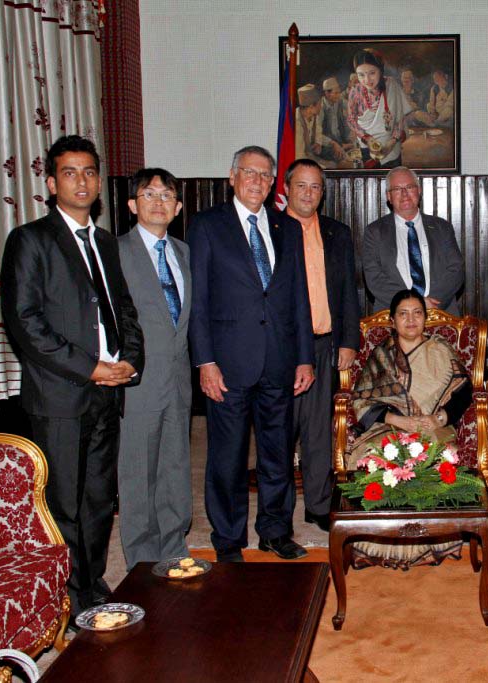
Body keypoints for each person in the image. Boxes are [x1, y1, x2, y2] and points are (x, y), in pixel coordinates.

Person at [0, 134, 144, 621]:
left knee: (99, 497)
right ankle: (63, 596)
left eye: (88, 172)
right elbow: (25, 324)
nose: (81, 181)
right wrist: (90, 367)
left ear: (99, 182)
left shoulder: (104, 241)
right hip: (61, 395)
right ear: (50, 182)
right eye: (69, 172)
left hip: (108, 391)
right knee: (64, 502)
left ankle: (92, 582)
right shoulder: (31, 240)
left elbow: (121, 308)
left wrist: (129, 361)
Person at [188, 145, 315, 561]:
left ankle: (276, 531)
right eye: (249, 173)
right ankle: (228, 539)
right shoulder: (207, 226)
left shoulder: (287, 228)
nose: (257, 181)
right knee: (227, 457)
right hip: (227, 365)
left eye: (265, 175)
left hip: (279, 361)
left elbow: (298, 299)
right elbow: (199, 302)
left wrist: (304, 357)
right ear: (232, 176)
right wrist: (205, 361)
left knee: (277, 454)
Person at [348, 289, 473, 568]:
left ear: (425, 319)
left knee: (434, 457)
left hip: (431, 426)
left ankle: (431, 543)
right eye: (403, 314)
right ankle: (378, 545)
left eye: (417, 313)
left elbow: (464, 392)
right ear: (392, 320)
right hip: (389, 426)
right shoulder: (381, 356)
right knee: (375, 456)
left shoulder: (440, 350)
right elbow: (362, 400)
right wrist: (399, 421)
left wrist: (439, 419)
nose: (411, 320)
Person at [116, 168, 192, 570]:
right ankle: (142, 562)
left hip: (178, 381)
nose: (159, 202)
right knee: (138, 472)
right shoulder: (116, 252)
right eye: (150, 194)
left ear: (178, 207)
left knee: (176, 465)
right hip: (137, 382)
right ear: (132, 205)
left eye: (167, 196)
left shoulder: (184, 252)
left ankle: (174, 546)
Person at [284, 159, 360, 532]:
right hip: (279, 350)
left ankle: (316, 505)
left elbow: (349, 290)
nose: (308, 194)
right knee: (279, 432)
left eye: (315, 187)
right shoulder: (270, 229)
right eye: (301, 186)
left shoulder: (336, 232)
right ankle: (277, 512)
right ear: (286, 188)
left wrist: (348, 341)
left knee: (317, 432)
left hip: (324, 344)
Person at [362, 165, 464, 314]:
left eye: (409, 187)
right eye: (397, 189)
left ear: (419, 190)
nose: (404, 194)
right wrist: (414, 305)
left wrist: (431, 303)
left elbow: (456, 269)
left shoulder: (442, 227)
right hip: (393, 317)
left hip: (440, 313)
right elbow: (374, 278)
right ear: (389, 196)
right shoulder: (374, 232)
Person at [346, 49, 411, 168]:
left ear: (380, 70)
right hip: (367, 146)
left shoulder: (392, 86)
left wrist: (391, 143)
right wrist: (368, 139)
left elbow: (400, 118)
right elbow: (351, 120)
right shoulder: (355, 91)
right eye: (361, 74)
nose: (367, 80)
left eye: (372, 73)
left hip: (391, 145)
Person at [295, 84, 344, 169]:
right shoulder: (296, 122)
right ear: (311, 107)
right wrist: (323, 167)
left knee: (334, 164)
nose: (321, 107)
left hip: (311, 157)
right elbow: (299, 156)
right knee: (332, 167)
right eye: (319, 104)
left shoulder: (314, 116)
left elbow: (318, 134)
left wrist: (320, 143)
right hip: (302, 163)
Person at [321, 76, 354, 151]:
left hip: (342, 140)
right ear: (327, 94)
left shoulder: (339, 100)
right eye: (336, 93)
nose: (339, 95)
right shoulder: (321, 108)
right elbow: (317, 135)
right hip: (330, 145)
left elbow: (352, 107)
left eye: (339, 92)